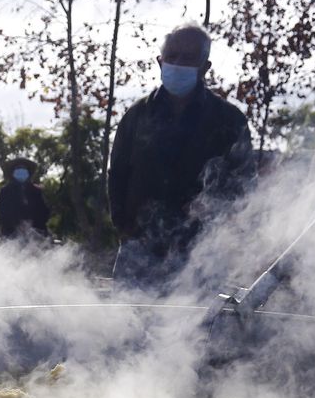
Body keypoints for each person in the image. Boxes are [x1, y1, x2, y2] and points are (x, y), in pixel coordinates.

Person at [108, 23, 252, 291]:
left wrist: (222, 231)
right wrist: (123, 227)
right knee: (126, 328)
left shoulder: (229, 121)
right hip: (139, 253)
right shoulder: (136, 116)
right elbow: (117, 175)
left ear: (204, 66)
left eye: (188, 58)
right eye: (172, 56)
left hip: (203, 257)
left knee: (196, 331)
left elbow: (244, 185)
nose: (178, 63)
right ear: (159, 61)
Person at [0, 158, 50, 241]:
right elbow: (2, 215)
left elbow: (44, 212)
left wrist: (32, 224)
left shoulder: (37, 191)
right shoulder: (5, 191)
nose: (21, 172)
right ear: (13, 173)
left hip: (36, 233)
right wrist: (17, 225)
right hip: (11, 234)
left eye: (23, 169)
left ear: (28, 173)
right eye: (18, 169)